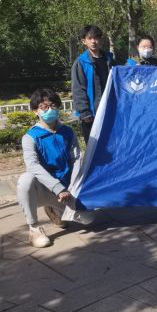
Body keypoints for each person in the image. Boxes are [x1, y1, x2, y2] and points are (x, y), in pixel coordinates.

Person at [17, 88, 94, 248]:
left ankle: (55, 211)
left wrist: (72, 188)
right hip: (45, 190)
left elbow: (76, 159)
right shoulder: (30, 137)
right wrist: (58, 188)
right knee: (25, 180)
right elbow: (32, 166)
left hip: (67, 191)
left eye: (53, 105)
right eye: (44, 107)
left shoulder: (68, 132)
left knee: (89, 219)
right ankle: (34, 228)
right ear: (35, 111)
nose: (49, 110)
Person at [71, 25, 114, 142]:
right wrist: (85, 112)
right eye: (90, 38)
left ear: (101, 39)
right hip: (91, 115)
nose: (93, 41)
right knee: (93, 147)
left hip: (109, 110)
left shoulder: (109, 59)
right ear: (84, 41)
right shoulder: (81, 62)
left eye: (96, 38)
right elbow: (78, 89)